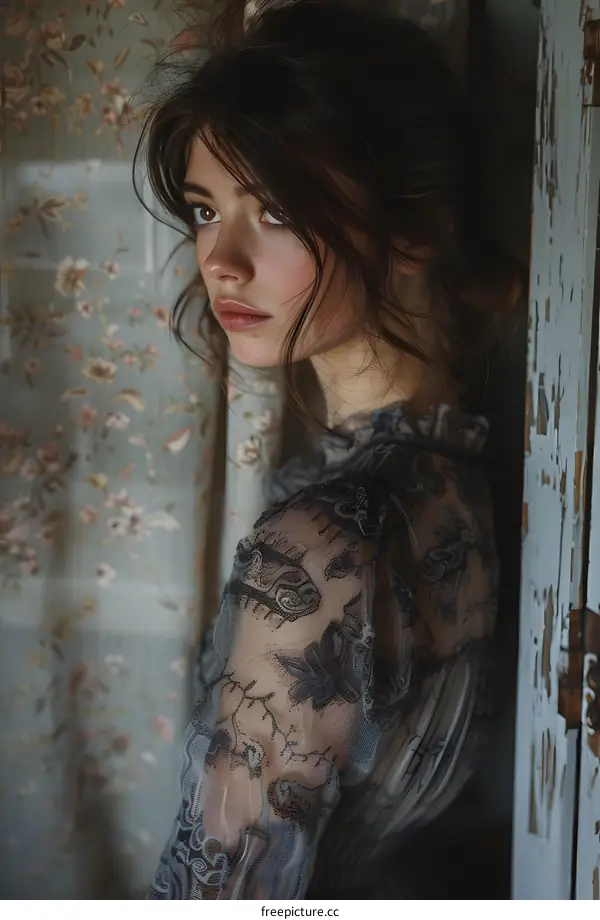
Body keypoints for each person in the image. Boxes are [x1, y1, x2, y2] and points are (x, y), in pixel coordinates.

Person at [135, 0, 518, 899]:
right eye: (204, 208)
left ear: (413, 229)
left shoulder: (320, 544)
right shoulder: (450, 476)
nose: (220, 260)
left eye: (274, 208)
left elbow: (220, 901)